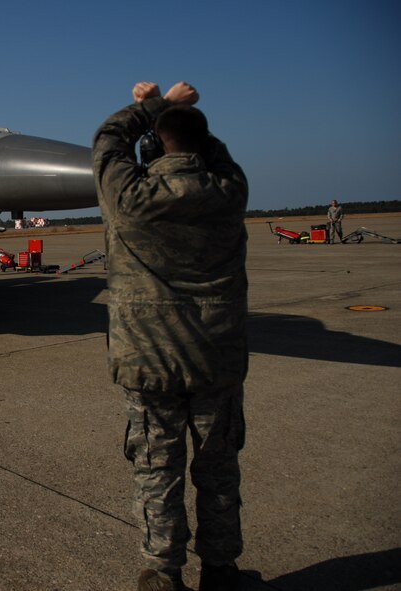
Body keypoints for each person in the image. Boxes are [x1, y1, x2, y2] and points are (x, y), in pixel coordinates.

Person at [92, 81, 248, 591]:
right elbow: (206, 151)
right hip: (215, 362)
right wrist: (176, 114)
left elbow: (109, 140)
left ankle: (163, 575)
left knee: (157, 473)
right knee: (218, 473)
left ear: (156, 142)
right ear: (204, 144)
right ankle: (221, 574)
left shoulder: (129, 196)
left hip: (149, 363)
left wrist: (152, 106)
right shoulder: (228, 190)